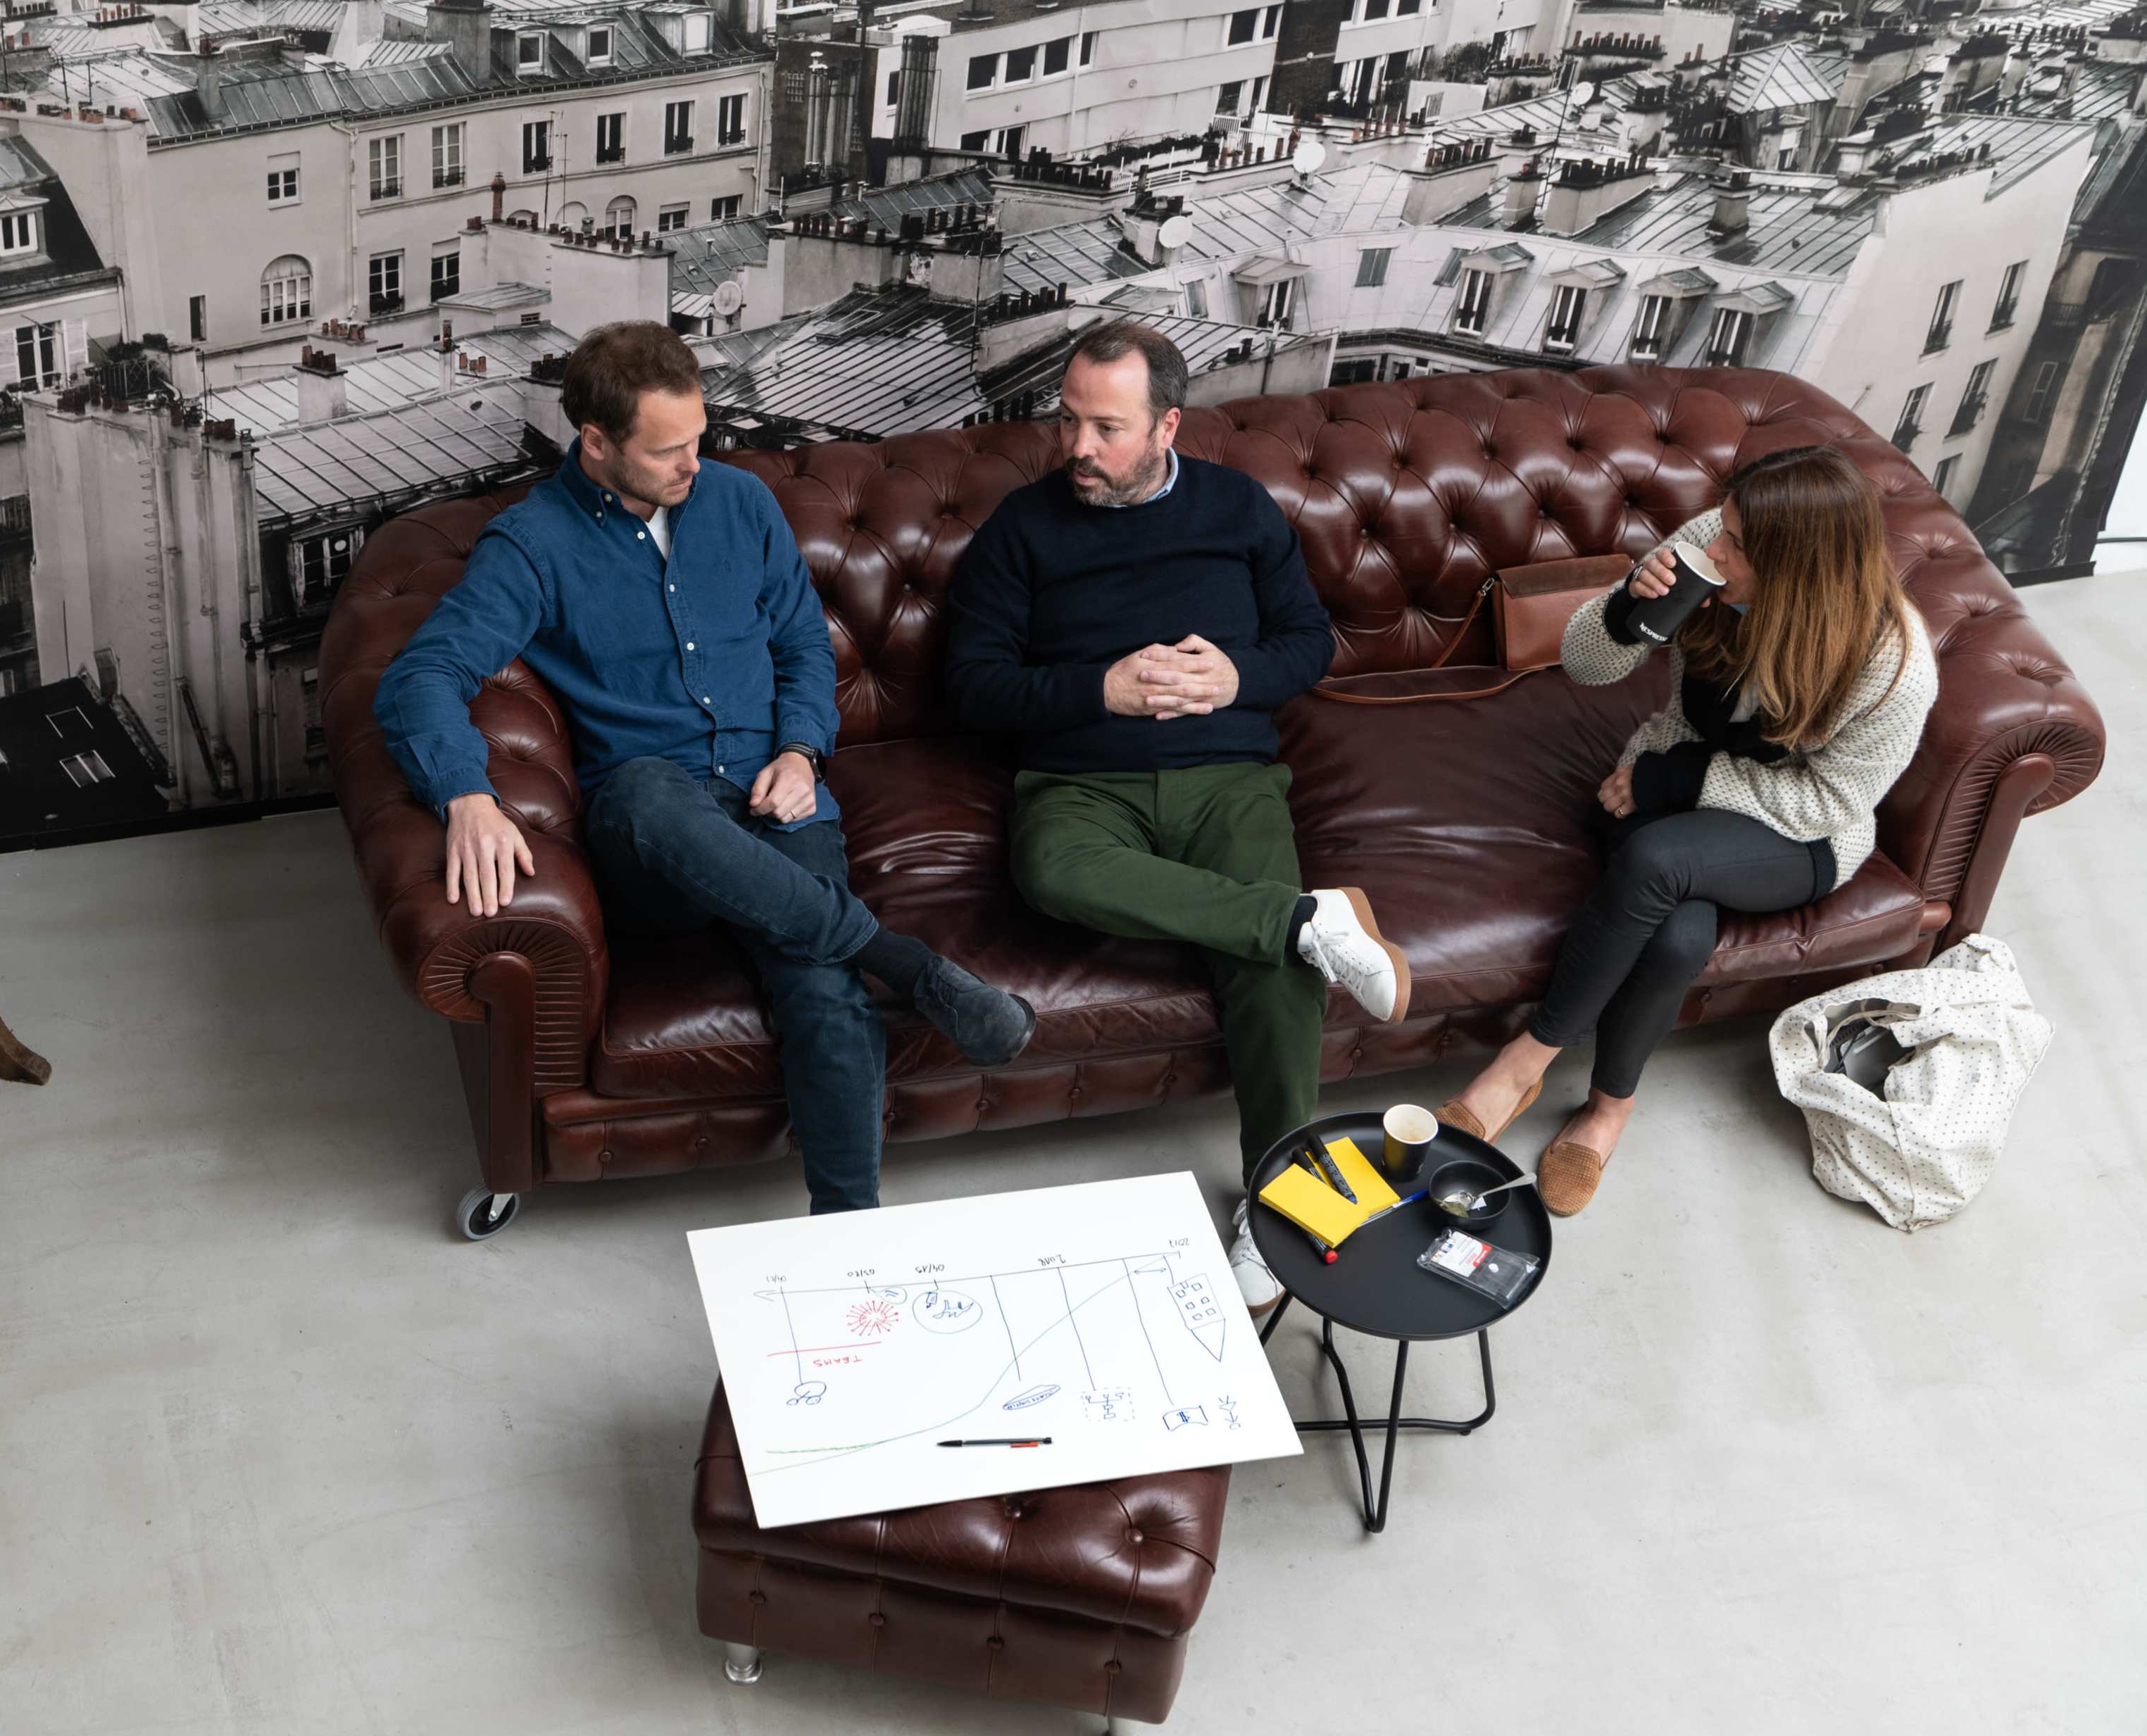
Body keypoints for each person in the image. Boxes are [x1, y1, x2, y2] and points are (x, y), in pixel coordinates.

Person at [375, 321, 1037, 1216]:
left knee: (821, 981)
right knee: (645, 790)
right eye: (668, 450)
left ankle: (849, 1232)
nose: (695, 463)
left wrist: (801, 751)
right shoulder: (530, 546)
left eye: (699, 438)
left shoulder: (741, 502)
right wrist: (465, 792)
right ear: (596, 442)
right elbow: (419, 677)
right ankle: (914, 968)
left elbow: (803, 644)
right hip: (656, 836)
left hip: (776, 793)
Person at [944, 320, 1412, 1311]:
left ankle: (1283, 1201)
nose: (1077, 447)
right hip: (1081, 785)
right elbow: (972, 686)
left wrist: (1239, 676)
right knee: (1054, 871)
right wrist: (1096, 689)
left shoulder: (1237, 508)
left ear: (1167, 427)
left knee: (1272, 971)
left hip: (1226, 776)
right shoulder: (1021, 530)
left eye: (1105, 428)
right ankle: (1305, 919)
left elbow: (1307, 643)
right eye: (1068, 421)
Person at [1432, 444, 1939, 1216]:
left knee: (1655, 857)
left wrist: (1673, 780)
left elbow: (1829, 801)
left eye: (1736, 544)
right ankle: (1609, 1108)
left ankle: (1522, 1063)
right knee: (1675, 935)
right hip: (1668, 784)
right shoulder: (1709, 546)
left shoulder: (1892, 662)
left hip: (1797, 836)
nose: (1715, 547)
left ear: (1796, 568)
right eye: (1723, 529)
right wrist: (1627, 611)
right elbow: (1585, 665)